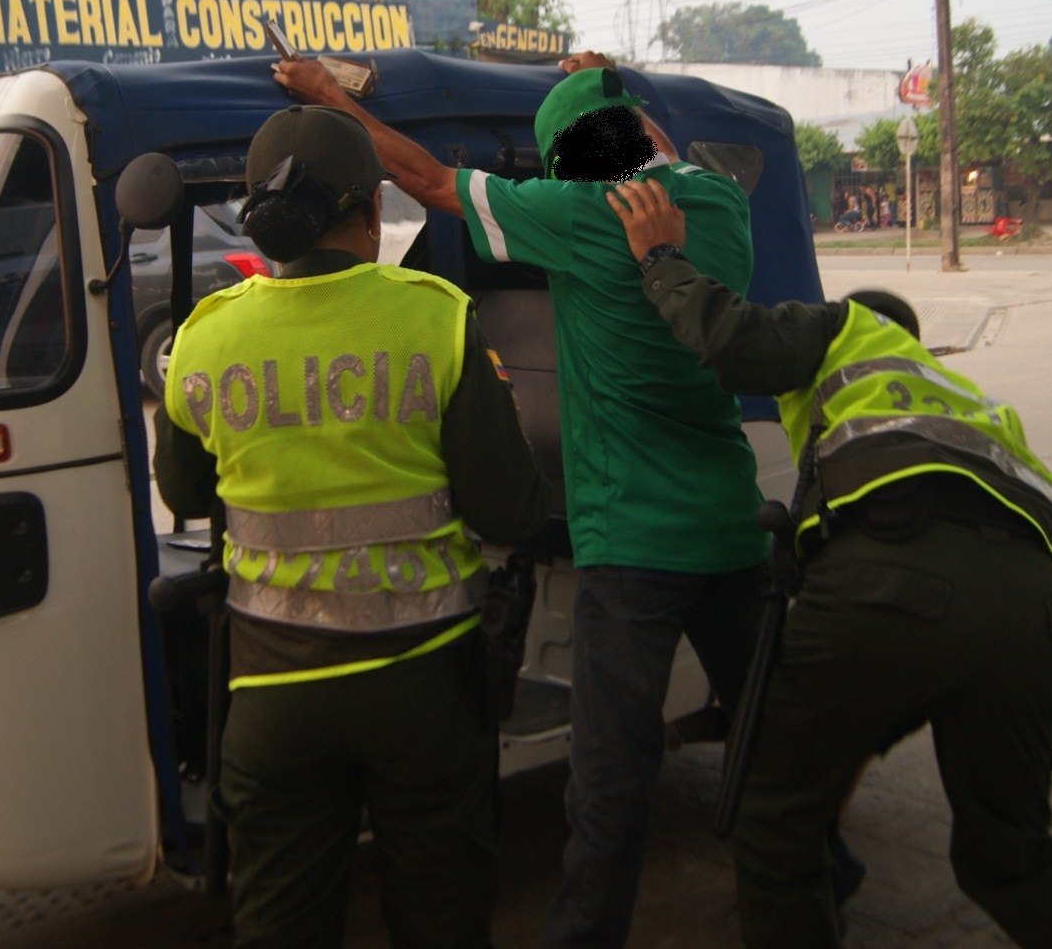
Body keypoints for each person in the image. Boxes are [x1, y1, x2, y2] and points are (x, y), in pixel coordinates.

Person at [275, 51, 770, 947]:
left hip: (634, 541)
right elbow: (643, 136)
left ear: (573, 167)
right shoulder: (720, 203)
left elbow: (426, 178)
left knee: (609, 786)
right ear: (646, 136)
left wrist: (322, 96)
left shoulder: (582, 215)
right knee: (770, 745)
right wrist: (607, 79)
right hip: (730, 524)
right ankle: (826, 875)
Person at [604, 176, 1052, 949]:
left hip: (898, 581)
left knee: (773, 822)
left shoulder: (845, 328)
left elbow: (733, 340)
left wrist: (660, 257)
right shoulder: (955, 396)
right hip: (1044, 614)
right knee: (1011, 854)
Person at [153, 105, 549, 948]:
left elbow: (185, 490)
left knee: (280, 925)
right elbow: (509, 508)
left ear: (259, 212)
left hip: (271, 696)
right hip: (427, 687)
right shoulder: (434, 318)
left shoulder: (204, 338)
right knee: (442, 915)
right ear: (371, 208)